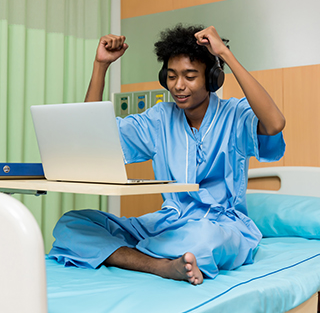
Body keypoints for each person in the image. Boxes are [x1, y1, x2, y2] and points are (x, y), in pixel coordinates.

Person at [49, 24, 286, 286]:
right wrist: (100, 66)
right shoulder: (160, 118)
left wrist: (225, 55)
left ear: (212, 79)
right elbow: (92, 138)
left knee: (205, 238)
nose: (179, 86)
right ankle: (160, 265)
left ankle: (135, 254)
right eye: (172, 76)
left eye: (190, 76)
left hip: (221, 227)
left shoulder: (235, 115)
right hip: (168, 223)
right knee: (73, 224)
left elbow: (274, 123)